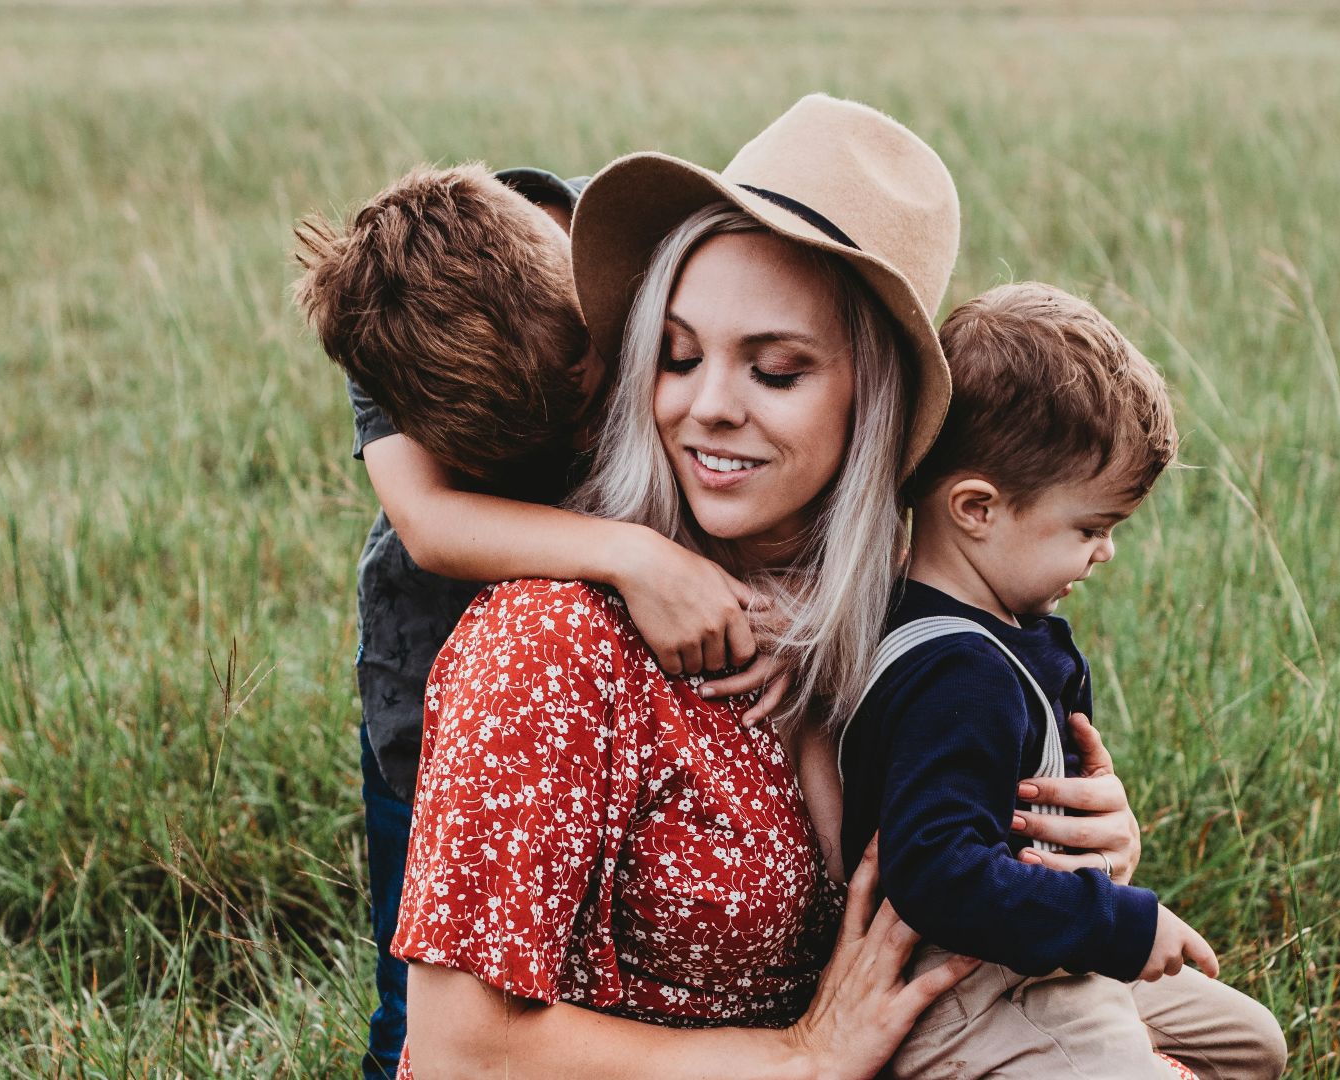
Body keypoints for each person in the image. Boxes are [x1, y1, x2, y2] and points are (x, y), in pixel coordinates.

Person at [388, 93, 985, 1080]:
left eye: (778, 371)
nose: (708, 409)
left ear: (871, 401)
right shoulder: (550, 642)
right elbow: (462, 1052)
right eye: (677, 355)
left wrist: (1085, 849)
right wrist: (797, 1061)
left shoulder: (901, 625)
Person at [293, 163, 778, 1079]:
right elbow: (432, 526)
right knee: (424, 980)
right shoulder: (391, 323)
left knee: (591, 970)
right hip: (430, 670)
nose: (594, 436)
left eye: (589, 390)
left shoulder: (623, 247)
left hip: (624, 684)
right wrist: (630, 554)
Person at [839, 282, 1287, 1079]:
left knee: (1252, 1045)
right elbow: (935, 872)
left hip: (1035, 949)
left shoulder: (1005, 630)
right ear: (977, 507)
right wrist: (1116, 924)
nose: (1105, 553)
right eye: (1090, 529)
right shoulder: (958, 674)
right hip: (964, 988)